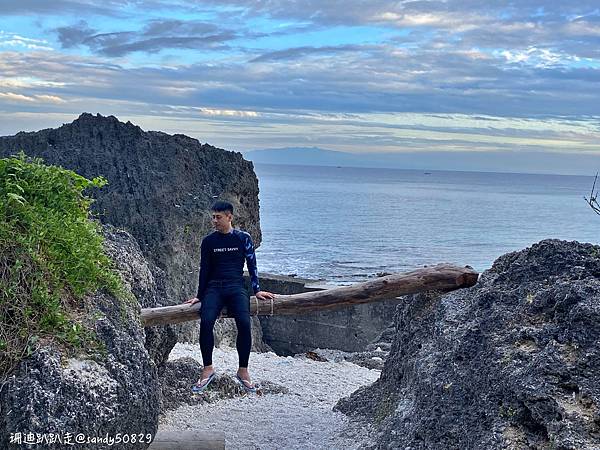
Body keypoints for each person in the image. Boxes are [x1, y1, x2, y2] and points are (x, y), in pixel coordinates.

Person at [184, 200, 275, 393]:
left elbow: (252, 265)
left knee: (244, 322)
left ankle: (243, 371)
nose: (214, 221)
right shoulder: (209, 241)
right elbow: (204, 270)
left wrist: (257, 290)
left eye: (218, 217)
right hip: (214, 288)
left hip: (236, 286)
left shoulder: (243, 238)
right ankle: (207, 368)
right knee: (206, 321)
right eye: (213, 217)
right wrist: (199, 296)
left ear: (229, 217)